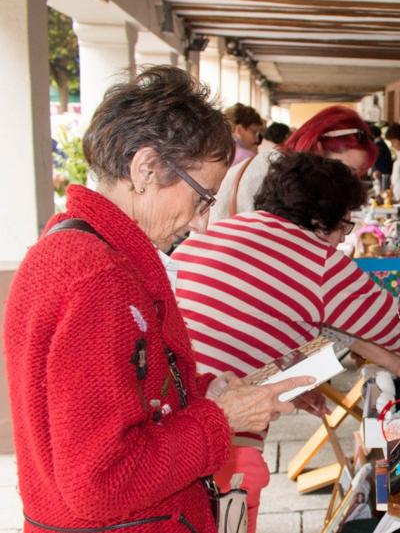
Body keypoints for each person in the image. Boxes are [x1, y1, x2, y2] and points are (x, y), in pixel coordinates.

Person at [3, 67, 309, 533]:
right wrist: (220, 418)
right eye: (203, 197)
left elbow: (118, 402)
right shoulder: (98, 280)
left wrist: (199, 393)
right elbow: (101, 482)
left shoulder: (71, 249)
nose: (203, 223)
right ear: (146, 169)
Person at [172, 152, 400, 530]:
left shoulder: (220, 232)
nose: (344, 239)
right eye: (344, 225)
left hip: (172, 423)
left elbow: (250, 324)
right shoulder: (316, 261)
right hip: (222, 447)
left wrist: (282, 380)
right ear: (320, 220)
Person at [210, 105, 378, 221]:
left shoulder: (277, 165)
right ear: (319, 147)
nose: (346, 182)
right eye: (345, 170)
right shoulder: (280, 178)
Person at [368, 123, 393, 188]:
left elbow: (381, 163)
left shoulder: (379, 146)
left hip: (382, 178)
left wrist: (378, 171)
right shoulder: (380, 144)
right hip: (381, 177)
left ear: (372, 135)